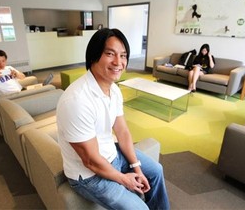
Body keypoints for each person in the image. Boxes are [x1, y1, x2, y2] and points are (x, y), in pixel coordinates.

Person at [56, 28, 170, 210]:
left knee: (156, 171)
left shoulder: (113, 89)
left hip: (112, 154)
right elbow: (90, 161)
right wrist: (125, 179)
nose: (118, 62)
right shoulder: (77, 100)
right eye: (110, 54)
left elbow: (122, 131)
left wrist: (137, 168)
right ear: (94, 56)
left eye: (123, 55)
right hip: (88, 176)